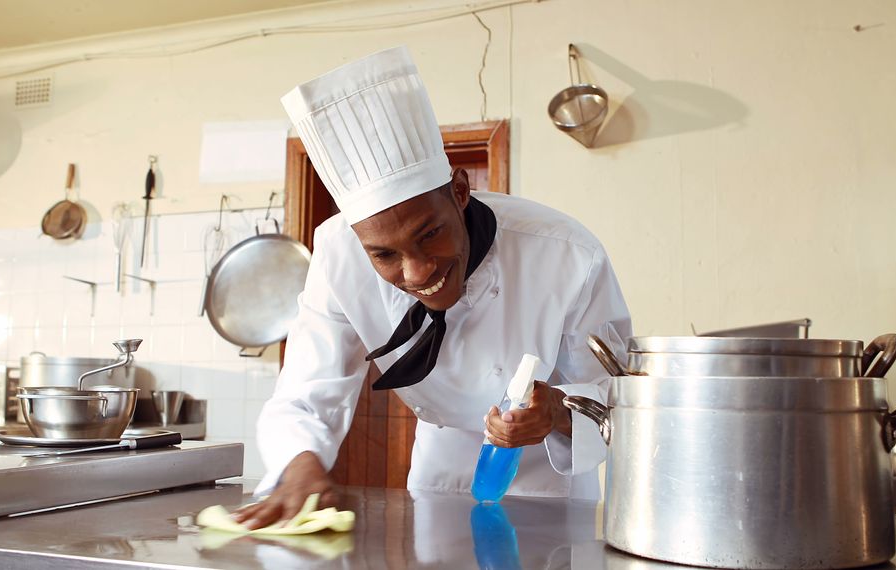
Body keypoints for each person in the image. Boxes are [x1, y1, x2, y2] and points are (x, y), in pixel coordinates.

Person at [236, 46, 631, 529]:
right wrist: (299, 466)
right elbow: (305, 392)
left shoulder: (568, 254)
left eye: (430, 234)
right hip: (435, 482)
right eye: (384, 255)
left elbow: (617, 396)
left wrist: (559, 411)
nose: (419, 272)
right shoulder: (337, 254)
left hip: (546, 482)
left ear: (460, 191)